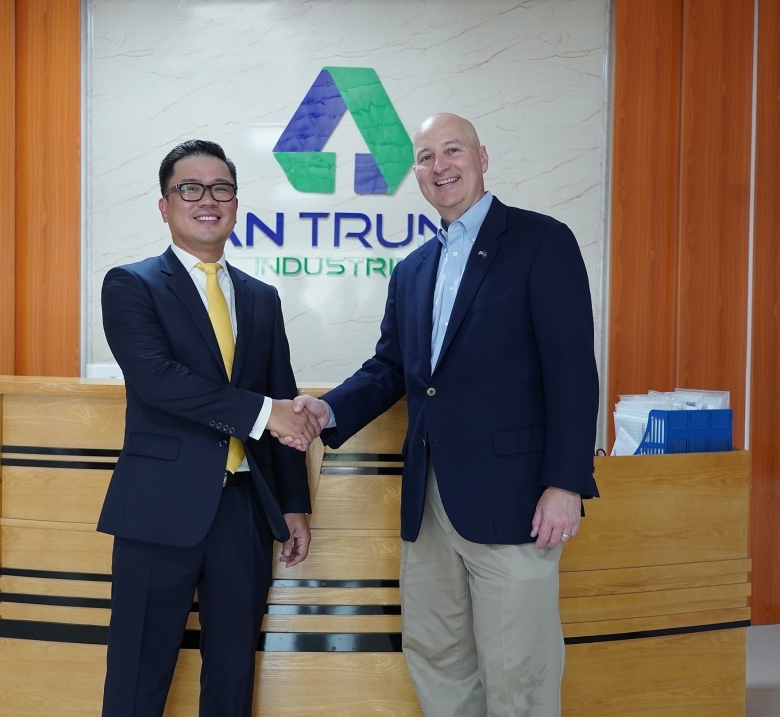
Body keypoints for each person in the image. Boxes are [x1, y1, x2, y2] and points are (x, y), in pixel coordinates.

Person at [287, 114, 599, 716]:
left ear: (482, 157)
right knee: (437, 659)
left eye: (452, 150)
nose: (440, 166)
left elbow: (572, 371)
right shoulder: (412, 269)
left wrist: (566, 483)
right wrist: (327, 409)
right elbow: (390, 368)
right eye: (426, 157)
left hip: (514, 501)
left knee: (520, 671)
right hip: (427, 503)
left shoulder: (541, 241)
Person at [97, 139, 319, 717]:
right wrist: (265, 412)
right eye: (190, 189)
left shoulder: (261, 298)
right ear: (165, 205)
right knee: (138, 675)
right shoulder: (131, 285)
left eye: (221, 189)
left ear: (236, 204)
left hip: (243, 510)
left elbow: (280, 391)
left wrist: (294, 504)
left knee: (232, 674)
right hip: (158, 508)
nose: (207, 200)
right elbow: (157, 380)